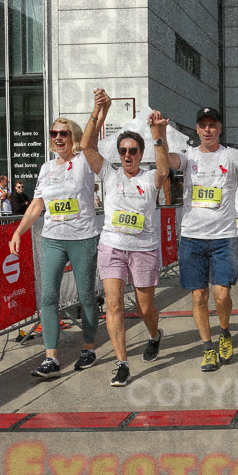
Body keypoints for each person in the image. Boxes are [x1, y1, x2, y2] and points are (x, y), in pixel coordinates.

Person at [78, 91, 169, 387]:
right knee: (114, 306)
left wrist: (157, 135)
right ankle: (122, 364)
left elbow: (165, 169)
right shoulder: (109, 174)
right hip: (112, 247)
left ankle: (155, 335)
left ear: (140, 154)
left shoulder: (150, 177)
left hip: (144, 249)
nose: (127, 155)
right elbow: (85, 145)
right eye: (123, 151)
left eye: (132, 150)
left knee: (145, 309)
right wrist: (97, 111)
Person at [9, 98, 100, 378]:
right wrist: (18, 231)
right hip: (52, 238)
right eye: (53, 133)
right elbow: (37, 204)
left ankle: (88, 348)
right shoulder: (46, 168)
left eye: (64, 133)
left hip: (83, 237)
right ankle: (51, 358)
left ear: (72, 136)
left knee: (86, 296)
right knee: (47, 297)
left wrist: (97, 110)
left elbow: (91, 137)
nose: (58, 138)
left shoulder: (84, 160)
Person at [166, 106, 238, 372]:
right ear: (196, 129)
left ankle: (225, 333)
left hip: (224, 238)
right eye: (203, 125)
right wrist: (158, 135)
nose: (207, 130)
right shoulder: (188, 155)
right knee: (198, 297)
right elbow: (167, 163)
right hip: (192, 238)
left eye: (212, 125)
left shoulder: (230, 156)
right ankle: (208, 348)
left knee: (221, 295)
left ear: (219, 128)